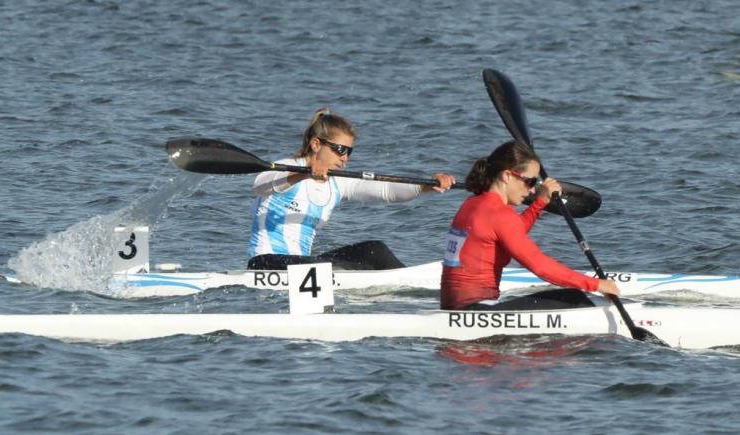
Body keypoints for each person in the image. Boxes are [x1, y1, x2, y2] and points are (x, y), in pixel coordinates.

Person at [247, 107, 455, 270]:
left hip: (303, 265)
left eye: (349, 152)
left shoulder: (338, 182)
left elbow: (385, 191)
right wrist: (303, 173)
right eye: (339, 150)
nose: (344, 158)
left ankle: (411, 285)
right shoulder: (288, 168)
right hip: (265, 263)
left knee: (375, 250)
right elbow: (260, 186)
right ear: (316, 144)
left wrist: (425, 186)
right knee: (327, 267)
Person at [440, 140, 620, 310]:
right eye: (530, 181)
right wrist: (596, 284)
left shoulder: (472, 203)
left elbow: (510, 233)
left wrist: (540, 203)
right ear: (507, 176)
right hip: (478, 308)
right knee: (574, 299)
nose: (532, 190)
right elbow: (540, 266)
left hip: (453, 307)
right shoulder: (500, 214)